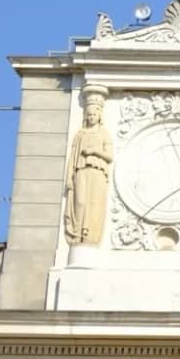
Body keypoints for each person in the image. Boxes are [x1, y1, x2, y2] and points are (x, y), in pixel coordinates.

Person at [64, 87, 113, 246]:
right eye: (89, 114)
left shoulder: (104, 133)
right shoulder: (80, 134)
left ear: (99, 116)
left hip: (98, 171)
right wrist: (68, 178)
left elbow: (109, 155)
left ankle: (90, 235)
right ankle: (77, 233)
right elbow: (72, 158)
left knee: (94, 203)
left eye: (94, 115)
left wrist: (94, 151)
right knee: (80, 202)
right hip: (81, 170)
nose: (91, 117)